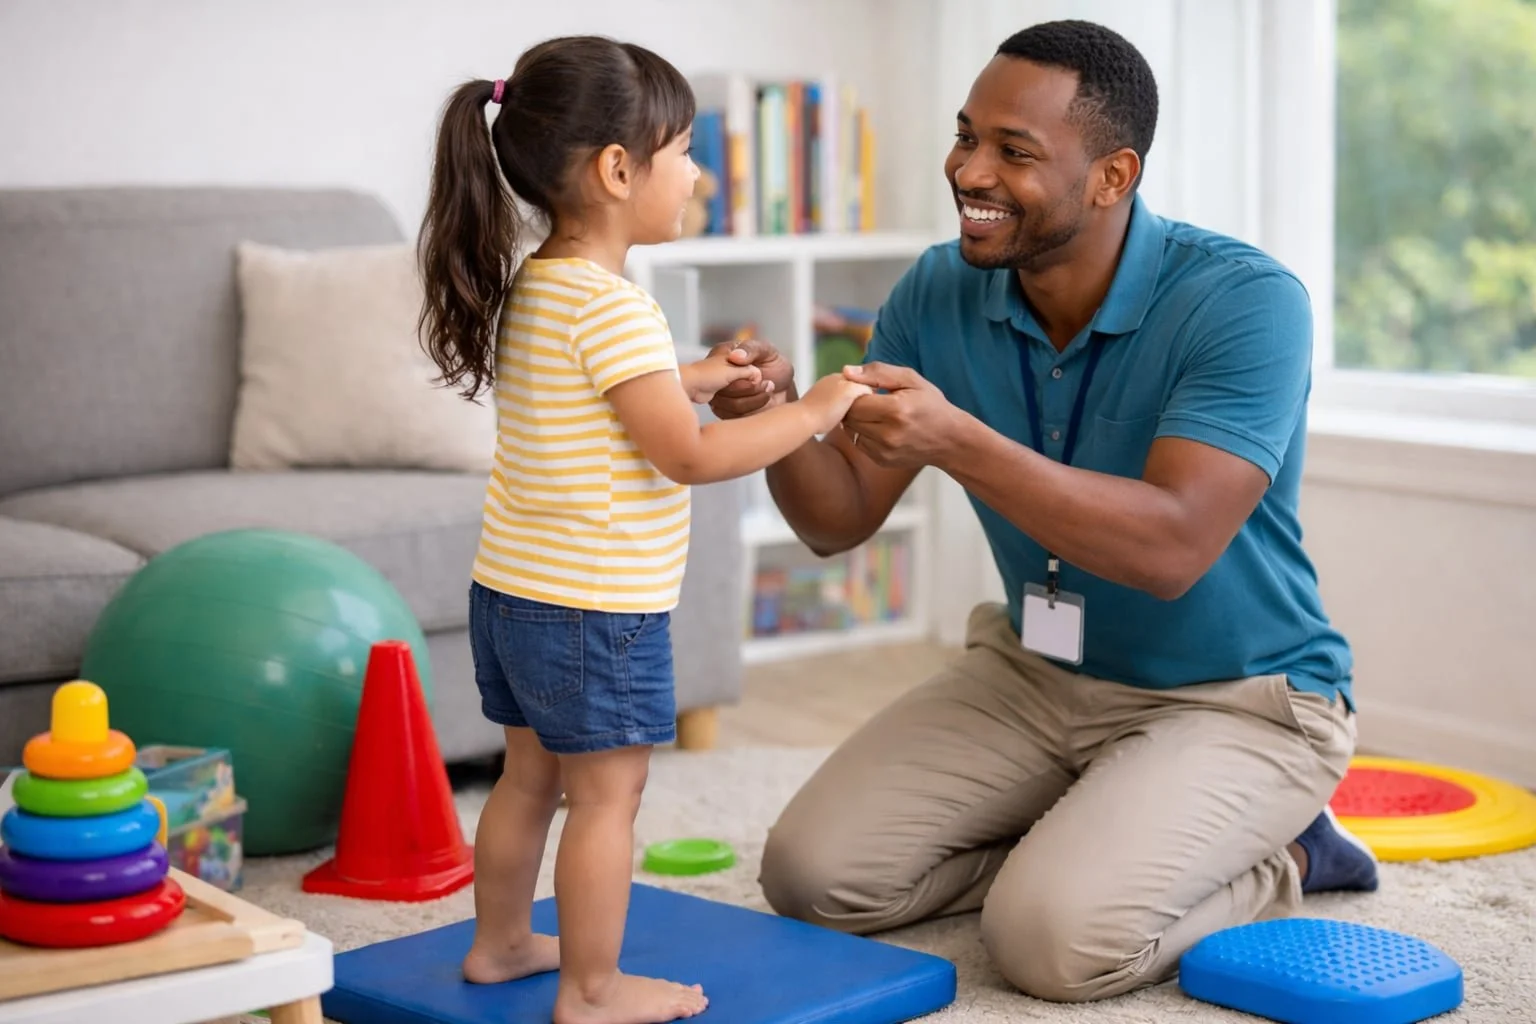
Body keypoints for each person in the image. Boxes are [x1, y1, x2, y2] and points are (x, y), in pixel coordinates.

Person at [710, 19, 1380, 1004]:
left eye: (1013, 150)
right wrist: (773, 418)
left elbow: (1172, 547)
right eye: (966, 134)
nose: (967, 169)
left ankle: (1282, 848)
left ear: (1113, 176)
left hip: (1241, 697)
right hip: (1038, 671)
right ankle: (1083, 843)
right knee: (813, 878)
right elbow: (836, 518)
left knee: (1053, 947)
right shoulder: (940, 288)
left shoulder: (1245, 302)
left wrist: (961, 442)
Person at [417, 35, 871, 1024]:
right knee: (607, 800)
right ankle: (590, 987)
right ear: (618, 170)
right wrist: (816, 408)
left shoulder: (540, 286)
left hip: (512, 592)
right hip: (594, 609)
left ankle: (499, 943)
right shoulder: (617, 309)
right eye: (683, 152)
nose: (698, 172)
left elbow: (608, 402)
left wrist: (699, 377)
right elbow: (690, 457)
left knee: (528, 778)